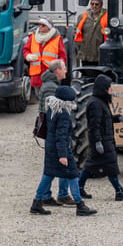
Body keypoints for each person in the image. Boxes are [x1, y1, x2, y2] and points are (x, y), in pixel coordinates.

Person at [30, 86, 97, 217]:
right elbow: (61, 136)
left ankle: (37, 203)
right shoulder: (64, 115)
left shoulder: (52, 109)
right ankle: (80, 205)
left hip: (50, 148)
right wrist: (63, 155)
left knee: (48, 175)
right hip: (61, 151)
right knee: (72, 175)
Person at [78, 74, 123, 202]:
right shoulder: (95, 104)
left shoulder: (100, 102)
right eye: (109, 88)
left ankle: (79, 187)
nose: (111, 91)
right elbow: (94, 125)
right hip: (102, 140)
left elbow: (105, 119)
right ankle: (119, 191)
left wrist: (118, 118)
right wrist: (98, 142)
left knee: (91, 165)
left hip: (105, 139)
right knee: (110, 164)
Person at [36, 60, 74, 207]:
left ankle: (47, 195)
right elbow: (54, 112)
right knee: (59, 163)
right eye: (64, 68)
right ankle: (56, 195)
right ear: (57, 70)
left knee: (53, 166)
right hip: (55, 134)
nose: (66, 71)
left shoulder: (50, 85)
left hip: (53, 133)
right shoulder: (52, 88)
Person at [24, 18, 67, 91]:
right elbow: (26, 50)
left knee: (50, 95)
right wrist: (28, 56)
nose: (40, 26)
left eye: (43, 25)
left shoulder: (57, 38)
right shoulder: (33, 37)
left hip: (51, 74)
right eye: (39, 25)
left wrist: (59, 68)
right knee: (39, 96)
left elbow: (62, 55)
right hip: (36, 75)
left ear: (49, 27)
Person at [74, 0, 108, 66]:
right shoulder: (83, 16)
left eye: (97, 4)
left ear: (101, 5)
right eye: (92, 4)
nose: (94, 6)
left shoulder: (107, 17)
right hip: (85, 55)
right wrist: (80, 46)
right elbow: (77, 31)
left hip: (99, 56)